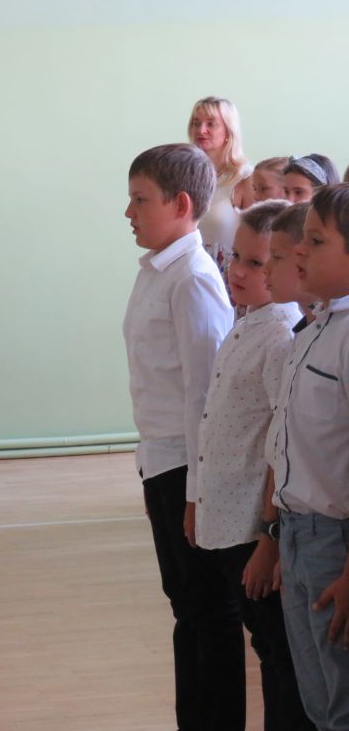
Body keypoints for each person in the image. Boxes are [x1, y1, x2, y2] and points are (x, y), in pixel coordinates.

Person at [122, 143, 241, 729]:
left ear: (182, 204)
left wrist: (198, 493)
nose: (129, 212)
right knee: (186, 605)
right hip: (162, 462)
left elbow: (206, 398)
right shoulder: (158, 270)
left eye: (140, 200)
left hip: (186, 469)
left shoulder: (192, 279)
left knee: (207, 610)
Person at [194, 199, 313, 730]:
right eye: (235, 257)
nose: (237, 271)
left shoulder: (282, 335)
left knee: (277, 651)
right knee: (265, 645)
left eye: (257, 262)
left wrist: (268, 537)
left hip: (253, 525)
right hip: (229, 519)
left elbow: (279, 445)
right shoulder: (249, 323)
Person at [270, 184, 349, 729]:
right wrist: (276, 536)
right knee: (318, 702)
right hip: (298, 535)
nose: (300, 248)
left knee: (342, 704)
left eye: (317, 241)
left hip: (335, 545)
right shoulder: (312, 332)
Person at [187, 96, 253, 277]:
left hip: (229, 277)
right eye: (196, 123)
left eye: (211, 124)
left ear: (228, 131)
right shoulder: (188, 176)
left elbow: (258, 237)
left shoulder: (245, 178)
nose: (201, 130)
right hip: (189, 272)